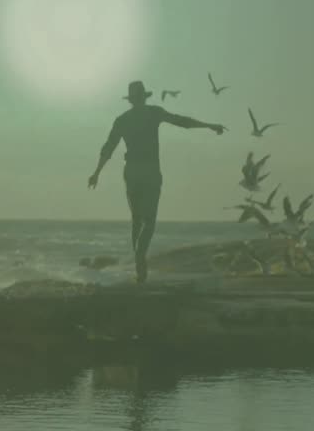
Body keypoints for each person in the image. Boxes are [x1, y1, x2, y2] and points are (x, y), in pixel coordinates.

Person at [88, 81, 226, 283]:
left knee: (136, 220)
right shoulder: (153, 112)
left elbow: (109, 147)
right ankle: (140, 257)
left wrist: (97, 172)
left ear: (131, 99)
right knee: (149, 222)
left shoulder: (122, 120)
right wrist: (209, 125)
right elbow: (182, 121)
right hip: (150, 171)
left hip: (132, 171)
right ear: (144, 97)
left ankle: (139, 269)